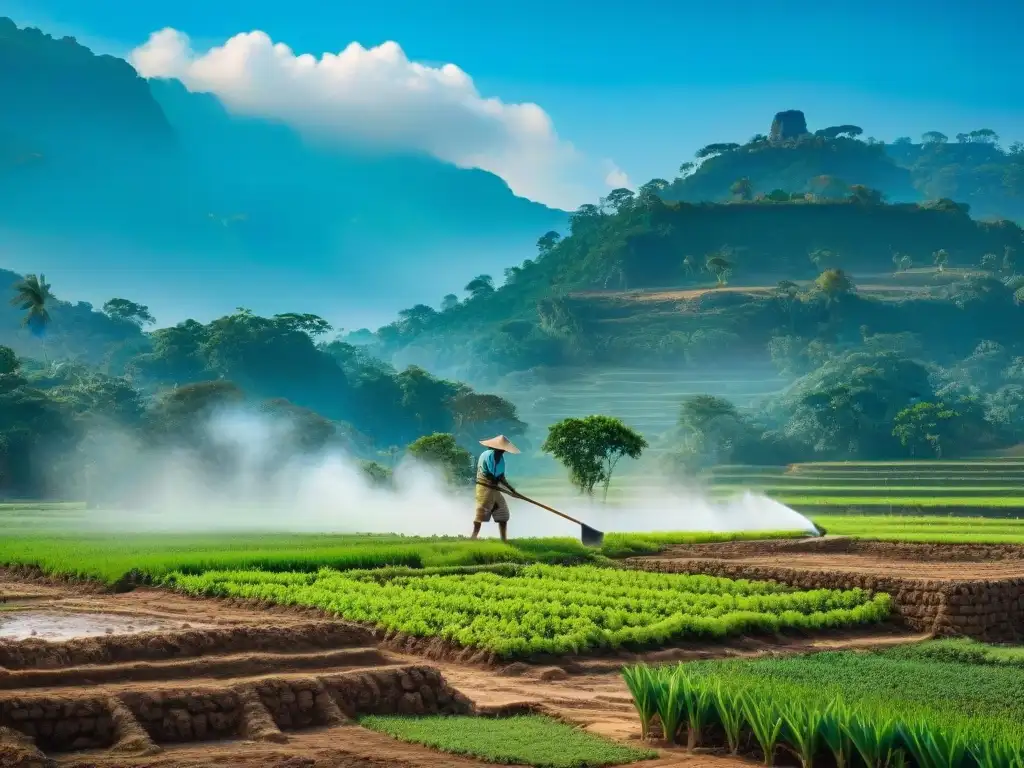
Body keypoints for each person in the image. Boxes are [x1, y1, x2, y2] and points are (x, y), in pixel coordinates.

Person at [472, 435, 520, 542]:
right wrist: (497, 483)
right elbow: (489, 474)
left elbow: (501, 477)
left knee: (503, 514)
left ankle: (504, 540)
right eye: (502, 449)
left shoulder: (501, 459)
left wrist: (512, 490)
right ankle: (473, 537)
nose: (503, 451)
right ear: (497, 447)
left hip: (494, 488)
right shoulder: (488, 455)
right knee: (481, 513)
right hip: (484, 487)